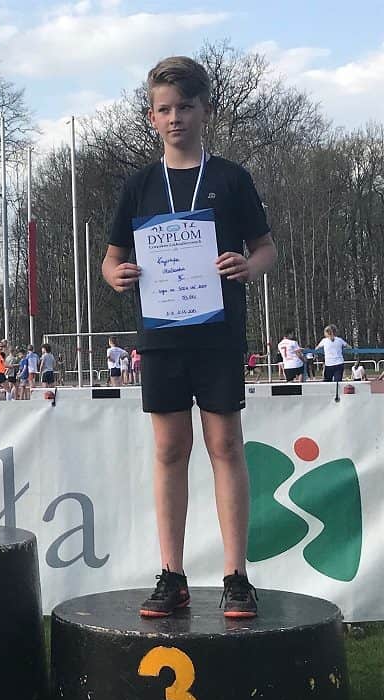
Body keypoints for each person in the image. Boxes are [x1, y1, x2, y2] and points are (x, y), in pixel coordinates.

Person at [101, 56, 277, 619]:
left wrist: (248, 267)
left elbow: (266, 248)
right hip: (161, 337)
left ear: (205, 110)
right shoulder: (139, 184)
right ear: (151, 117)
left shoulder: (231, 178)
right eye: (164, 109)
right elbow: (111, 260)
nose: (175, 117)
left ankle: (236, 576)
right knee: (169, 449)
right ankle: (172, 573)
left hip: (218, 333)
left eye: (185, 106)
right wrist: (117, 275)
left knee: (225, 445)